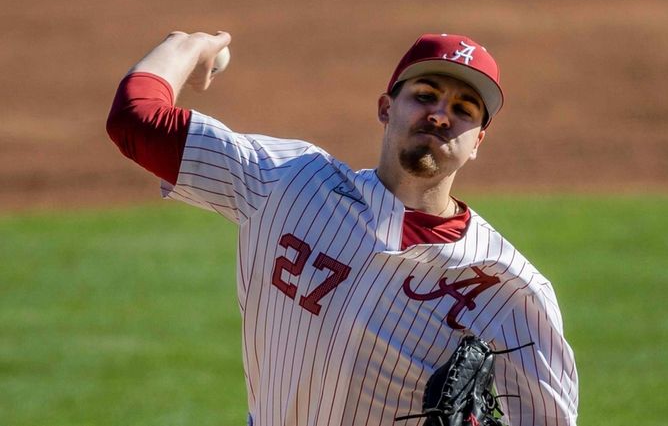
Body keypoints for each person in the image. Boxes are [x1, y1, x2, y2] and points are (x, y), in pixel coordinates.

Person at [106, 30, 578, 426]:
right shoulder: (287, 181)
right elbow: (136, 121)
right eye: (425, 96)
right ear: (385, 108)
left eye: (464, 110)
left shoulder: (510, 288)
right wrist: (188, 45)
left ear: (478, 142)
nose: (439, 115)